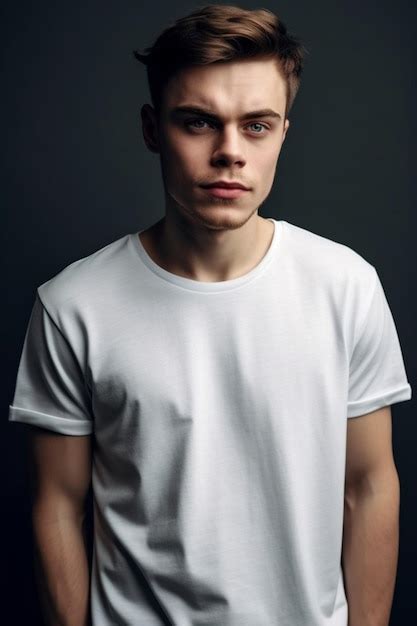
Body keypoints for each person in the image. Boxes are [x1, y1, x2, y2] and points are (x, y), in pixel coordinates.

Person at [8, 4, 412, 626]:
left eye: (256, 125)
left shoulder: (347, 286)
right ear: (152, 129)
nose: (229, 153)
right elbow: (57, 506)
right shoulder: (72, 305)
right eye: (198, 122)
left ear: (284, 133)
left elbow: (369, 487)